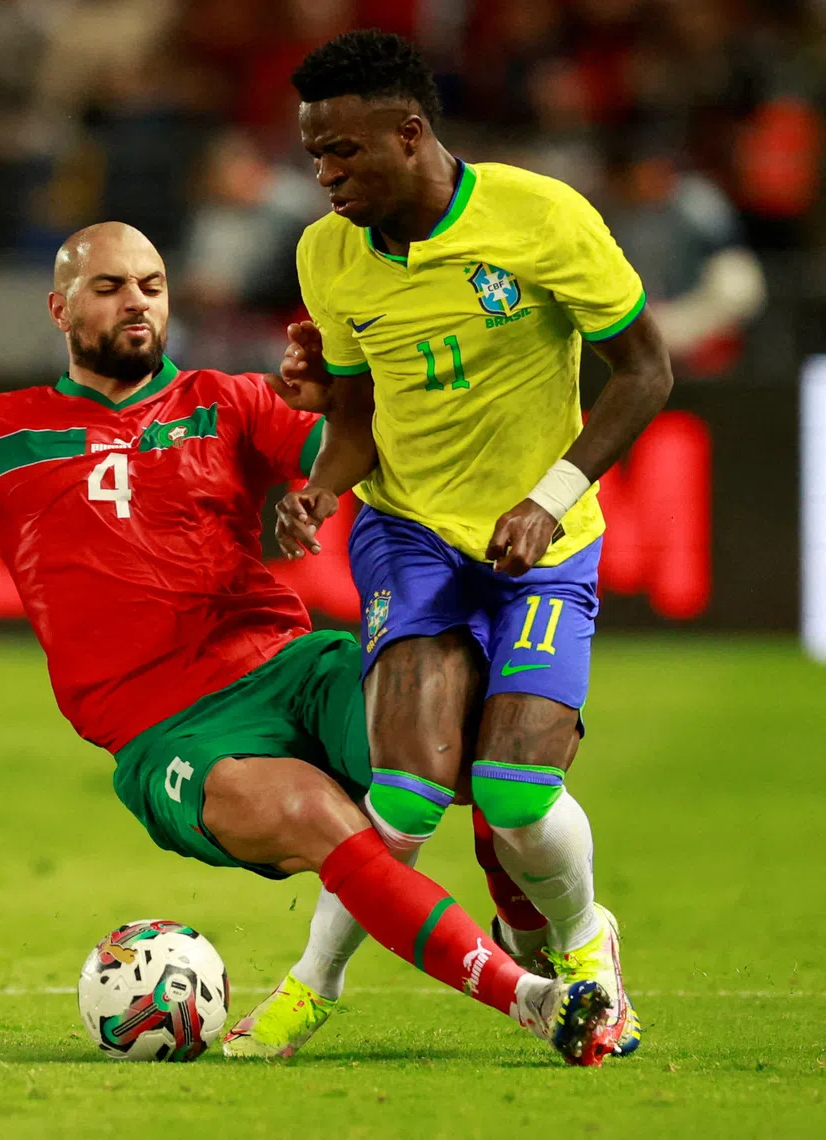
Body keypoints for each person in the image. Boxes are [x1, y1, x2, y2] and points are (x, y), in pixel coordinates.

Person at [0, 222, 617, 1067]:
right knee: (309, 815)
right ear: (59, 307)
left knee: (466, 740)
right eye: (110, 286)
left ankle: (552, 929)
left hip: (289, 665)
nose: (138, 300)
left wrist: (329, 439)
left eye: (154, 283)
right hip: (171, 729)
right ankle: (530, 998)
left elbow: (362, 452)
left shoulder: (231, 400)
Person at [265, 30, 676, 1060]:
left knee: (515, 799)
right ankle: (310, 987)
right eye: (315, 155)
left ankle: (585, 946)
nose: (325, 177)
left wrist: (550, 496)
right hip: (410, 535)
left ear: (410, 136)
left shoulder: (539, 217)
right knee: (402, 797)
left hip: (545, 541)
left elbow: (646, 371)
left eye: (344, 153)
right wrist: (316, 494)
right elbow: (354, 420)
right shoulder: (328, 255)